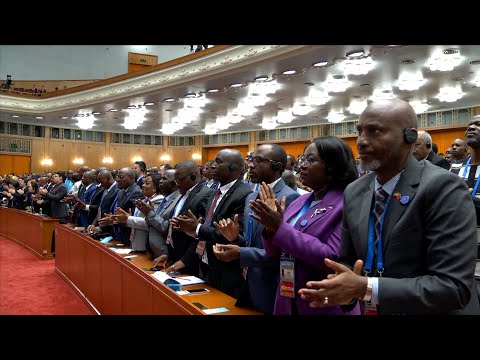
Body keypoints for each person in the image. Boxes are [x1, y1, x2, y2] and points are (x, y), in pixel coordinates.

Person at [299, 99, 479, 315]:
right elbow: (349, 262)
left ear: (409, 136)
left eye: (374, 131)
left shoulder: (444, 187)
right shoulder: (355, 191)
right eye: (360, 132)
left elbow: (453, 288)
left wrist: (366, 287)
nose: (361, 142)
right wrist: (339, 288)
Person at [248, 136, 360, 315]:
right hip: (287, 296)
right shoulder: (300, 201)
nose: (302, 165)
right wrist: (270, 229)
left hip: (323, 303)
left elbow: (332, 257)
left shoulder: (347, 203)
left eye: (311, 160)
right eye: (302, 159)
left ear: (332, 166)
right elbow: (274, 253)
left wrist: (279, 228)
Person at [212, 144, 300, 314]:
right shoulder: (251, 196)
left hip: (272, 286)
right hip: (249, 284)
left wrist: (241, 253)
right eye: (250, 159)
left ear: (277, 166)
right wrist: (235, 239)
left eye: (258, 161)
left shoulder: (289, 197)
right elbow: (251, 242)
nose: (250, 165)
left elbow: (284, 252)